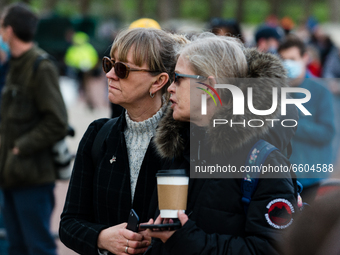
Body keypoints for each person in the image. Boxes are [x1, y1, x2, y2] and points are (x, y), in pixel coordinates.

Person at [144, 33, 299, 255]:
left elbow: (271, 249)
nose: (169, 87)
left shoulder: (265, 162)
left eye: (178, 78)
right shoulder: (181, 147)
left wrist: (185, 239)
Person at [59, 28, 189, 255]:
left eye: (122, 69)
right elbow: (69, 223)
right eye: (109, 64)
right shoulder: (98, 134)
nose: (109, 75)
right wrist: (102, 238)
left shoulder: (185, 141)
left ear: (158, 81)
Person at [0, 3, 68, 255]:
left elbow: (57, 122)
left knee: (38, 247)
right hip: (10, 176)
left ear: (9, 31)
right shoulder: (11, 66)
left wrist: (20, 147)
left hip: (33, 178)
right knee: (15, 247)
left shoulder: (41, 67)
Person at [278, 35, 335, 204]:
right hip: (280, 175)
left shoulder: (321, 91)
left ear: (305, 58)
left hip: (309, 177)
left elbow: (327, 132)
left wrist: (292, 123)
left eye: (292, 59)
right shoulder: (275, 90)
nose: (288, 64)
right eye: (283, 59)